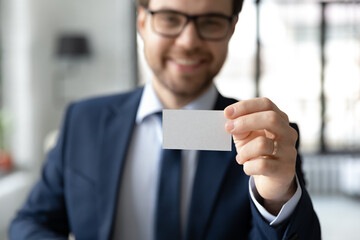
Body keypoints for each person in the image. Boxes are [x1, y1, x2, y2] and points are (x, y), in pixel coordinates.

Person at [9, 0, 321, 239]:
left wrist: (278, 196)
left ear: (232, 28)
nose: (188, 41)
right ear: (142, 22)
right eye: (170, 19)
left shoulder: (266, 139)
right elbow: (30, 222)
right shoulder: (84, 121)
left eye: (210, 22)